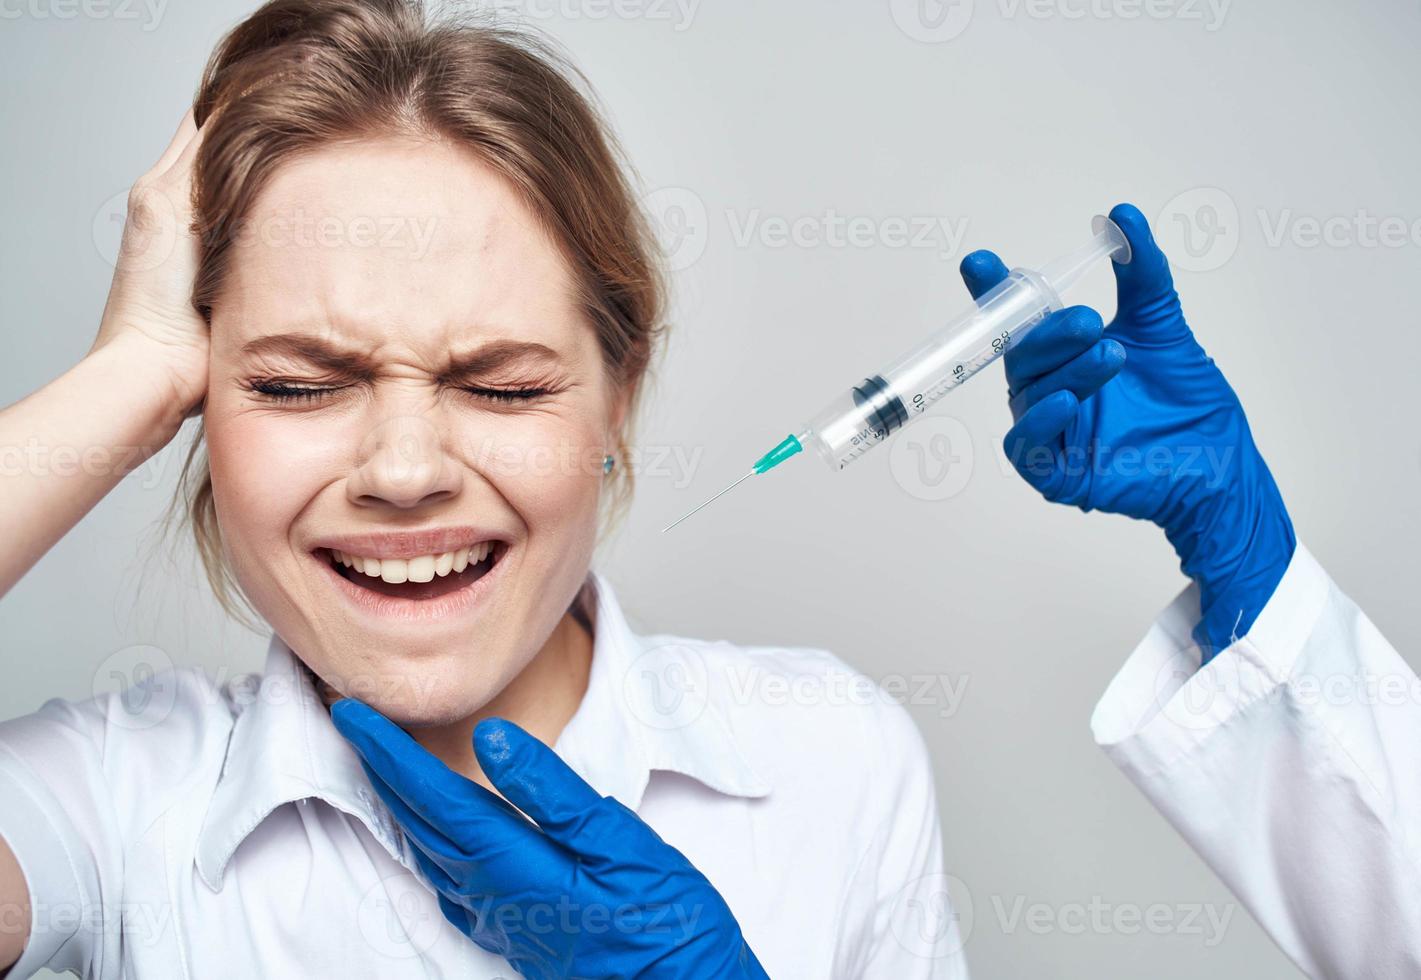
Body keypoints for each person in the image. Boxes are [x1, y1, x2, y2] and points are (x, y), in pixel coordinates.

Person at [0, 2, 961, 977]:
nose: (406, 472)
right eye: (297, 384)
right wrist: (129, 374)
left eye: (501, 386)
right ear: (201, 401)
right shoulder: (114, 793)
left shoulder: (827, 755)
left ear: (616, 396)